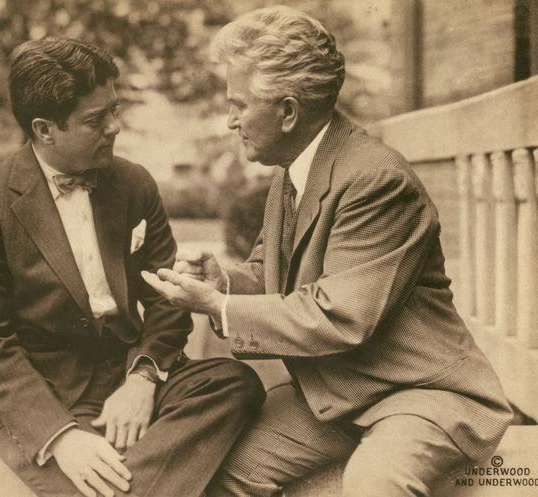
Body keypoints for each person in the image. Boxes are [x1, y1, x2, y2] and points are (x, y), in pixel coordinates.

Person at [141, 6, 513, 497]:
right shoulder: (295, 171)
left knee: (374, 484)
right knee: (216, 467)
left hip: (420, 394)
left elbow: (340, 314)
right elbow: (271, 274)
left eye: (239, 105)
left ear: (289, 111)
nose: (230, 121)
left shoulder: (375, 180)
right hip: (339, 394)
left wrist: (219, 307)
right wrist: (222, 283)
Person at [0, 37, 265, 497]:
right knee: (90, 474)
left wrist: (142, 378)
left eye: (114, 110)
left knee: (232, 383)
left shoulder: (133, 183)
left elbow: (165, 297)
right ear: (44, 129)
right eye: (96, 120)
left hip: (123, 370)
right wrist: (62, 437)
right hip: (41, 391)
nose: (114, 127)